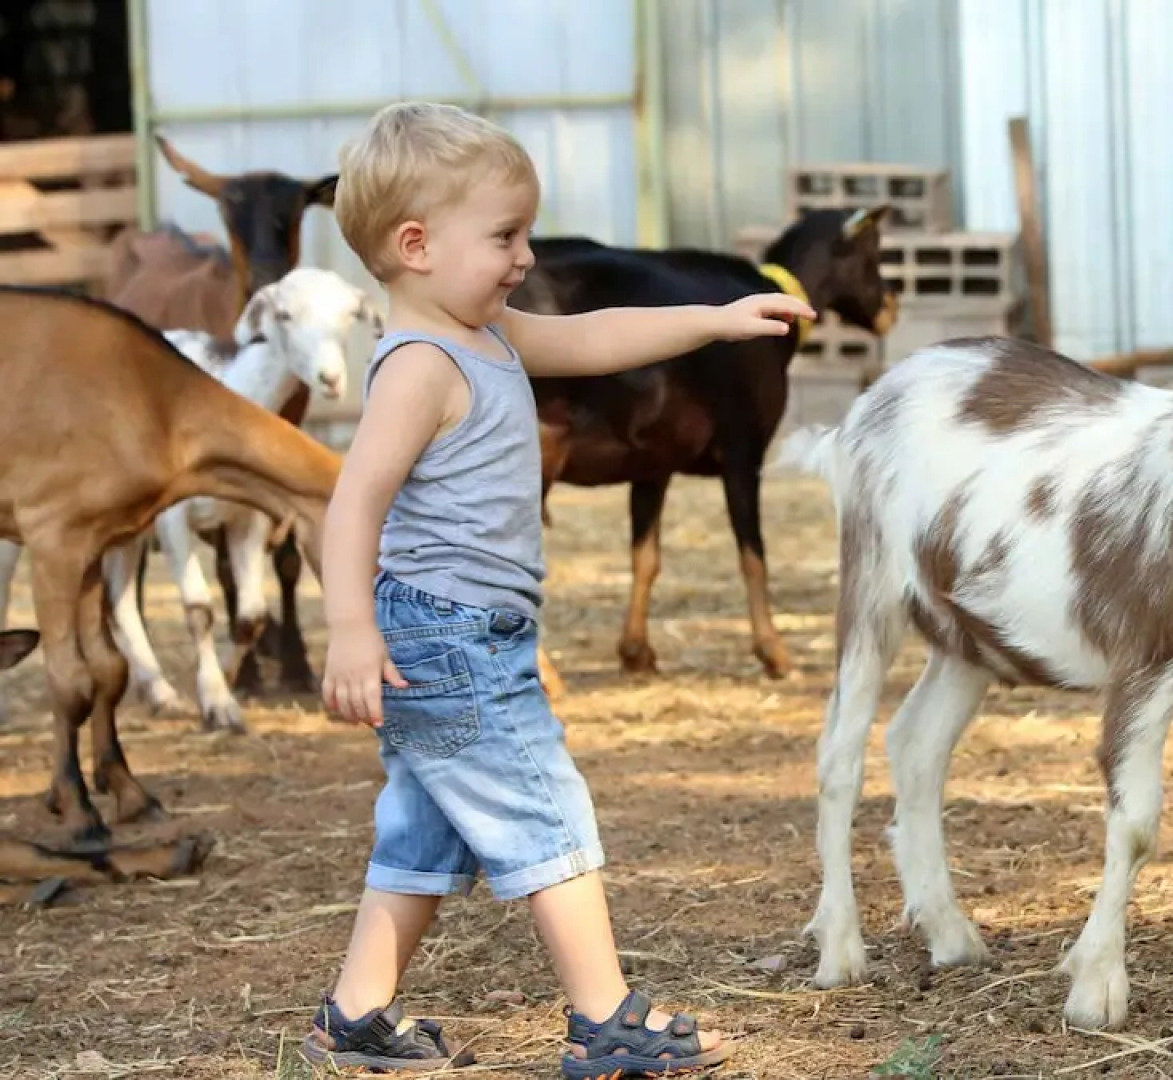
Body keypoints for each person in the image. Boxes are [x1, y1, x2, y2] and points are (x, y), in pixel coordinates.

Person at [300, 100, 813, 1077]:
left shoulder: (487, 332)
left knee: (426, 831)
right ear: (415, 246)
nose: (525, 257)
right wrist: (350, 629)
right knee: (546, 813)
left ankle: (357, 1013)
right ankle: (605, 1019)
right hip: (450, 635)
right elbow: (354, 500)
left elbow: (595, 336)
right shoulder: (420, 366)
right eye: (503, 237)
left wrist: (716, 319)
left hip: (457, 633)